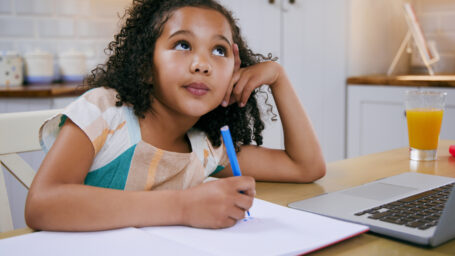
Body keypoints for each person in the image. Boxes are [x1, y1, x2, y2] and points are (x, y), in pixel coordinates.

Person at [25, 0, 325, 231]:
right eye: (183, 45)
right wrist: (183, 207)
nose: (202, 64)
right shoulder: (104, 113)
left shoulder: (208, 148)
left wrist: (278, 78)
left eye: (219, 51)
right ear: (145, 65)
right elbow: (41, 204)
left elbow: (306, 167)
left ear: (232, 74)